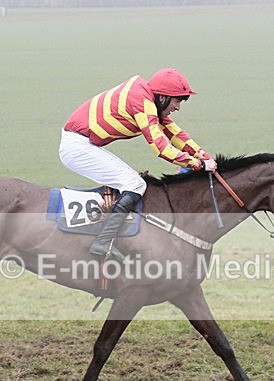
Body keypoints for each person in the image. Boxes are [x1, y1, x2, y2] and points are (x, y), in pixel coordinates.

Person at [59, 68, 217, 262]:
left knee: (131, 182)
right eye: (177, 100)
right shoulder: (142, 102)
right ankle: (103, 242)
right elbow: (161, 148)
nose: (178, 107)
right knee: (135, 184)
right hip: (77, 148)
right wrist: (198, 165)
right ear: (162, 98)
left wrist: (204, 156)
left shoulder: (147, 99)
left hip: (84, 144)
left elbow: (176, 134)